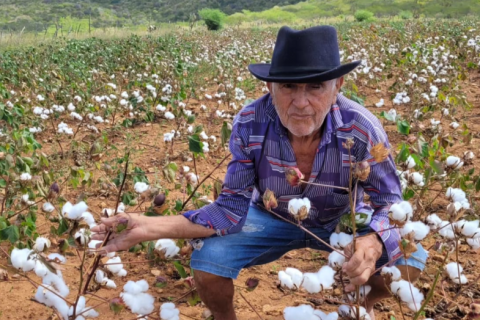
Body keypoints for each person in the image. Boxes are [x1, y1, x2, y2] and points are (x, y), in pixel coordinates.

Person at [92, 26, 428, 320]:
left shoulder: (361, 128)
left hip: (341, 220)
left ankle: (359, 304)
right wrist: (147, 225)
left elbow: (389, 202)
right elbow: (229, 209)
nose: (300, 102)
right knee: (208, 261)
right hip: (270, 217)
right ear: (269, 86)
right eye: (288, 87)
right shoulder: (250, 123)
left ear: (337, 84)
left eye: (315, 87)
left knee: (412, 257)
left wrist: (371, 239)